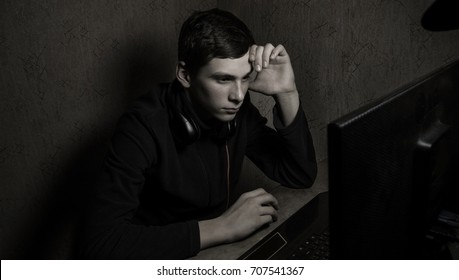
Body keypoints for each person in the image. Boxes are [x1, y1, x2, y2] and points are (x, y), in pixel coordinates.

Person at [80, 8, 317, 259]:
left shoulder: (236, 112)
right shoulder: (140, 127)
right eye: (223, 79)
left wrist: (287, 93)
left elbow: (300, 174)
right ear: (185, 75)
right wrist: (223, 227)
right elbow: (99, 245)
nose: (238, 95)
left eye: (245, 78)